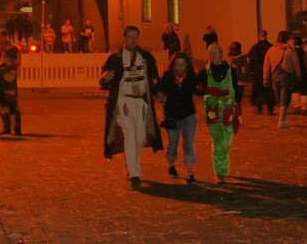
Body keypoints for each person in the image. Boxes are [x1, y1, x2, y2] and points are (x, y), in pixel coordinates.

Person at [100, 26, 163, 189]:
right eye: (130, 36)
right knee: (129, 135)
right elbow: (104, 78)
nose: (133, 39)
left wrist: (158, 91)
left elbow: (154, 78)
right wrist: (106, 77)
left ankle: (131, 165)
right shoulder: (115, 59)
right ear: (124, 38)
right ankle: (135, 174)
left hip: (141, 103)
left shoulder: (146, 57)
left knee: (140, 138)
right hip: (124, 102)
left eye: (135, 36)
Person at [195, 43, 243, 184]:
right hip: (213, 111)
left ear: (222, 54)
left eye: (217, 52)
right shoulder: (205, 72)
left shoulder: (230, 70)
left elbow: (235, 87)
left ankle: (223, 167)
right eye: (211, 53)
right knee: (218, 141)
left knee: (227, 140)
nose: (214, 55)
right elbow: (198, 89)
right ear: (208, 55)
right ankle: (220, 172)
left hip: (229, 110)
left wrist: (238, 106)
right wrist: (199, 88)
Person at [155, 53, 198, 183]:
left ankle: (190, 173)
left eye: (182, 64)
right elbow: (160, 90)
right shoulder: (168, 76)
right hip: (172, 115)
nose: (180, 67)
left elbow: (198, 89)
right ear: (173, 65)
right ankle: (172, 165)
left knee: (189, 143)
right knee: (173, 144)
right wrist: (160, 95)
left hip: (188, 114)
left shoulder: (191, 76)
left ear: (187, 65)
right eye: (177, 64)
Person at [263, 31, 301, 128]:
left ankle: (281, 118)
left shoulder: (271, 50)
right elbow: (295, 63)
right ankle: (282, 119)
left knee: (278, 96)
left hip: (274, 75)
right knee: (285, 97)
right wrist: (298, 75)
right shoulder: (290, 50)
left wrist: (265, 78)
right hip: (286, 75)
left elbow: (267, 65)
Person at [0, 30, 22, 135]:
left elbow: (16, 63)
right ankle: (6, 127)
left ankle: (16, 128)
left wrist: (2, 67)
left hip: (9, 81)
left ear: (6, 37)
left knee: (12, 104)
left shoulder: (12, 49)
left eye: (0, 37)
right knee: (1, 104)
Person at [249, 30, 274, 115]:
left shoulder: (255, 47)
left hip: (258, 70)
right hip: (268, 69)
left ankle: (259, 107)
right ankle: (270, 109)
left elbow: (251, 60)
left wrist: (250, 71)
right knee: (268, 90)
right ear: (266, 36)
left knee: (258, 89)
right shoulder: (270, 47)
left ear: (259, 36)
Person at [290, 36, 307, 115]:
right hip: (304, 73)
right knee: (304, 91)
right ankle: (304, 108)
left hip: (295, 73)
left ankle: (297, 105)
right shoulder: (304, 53)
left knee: (294, 89)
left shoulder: (292, 52)